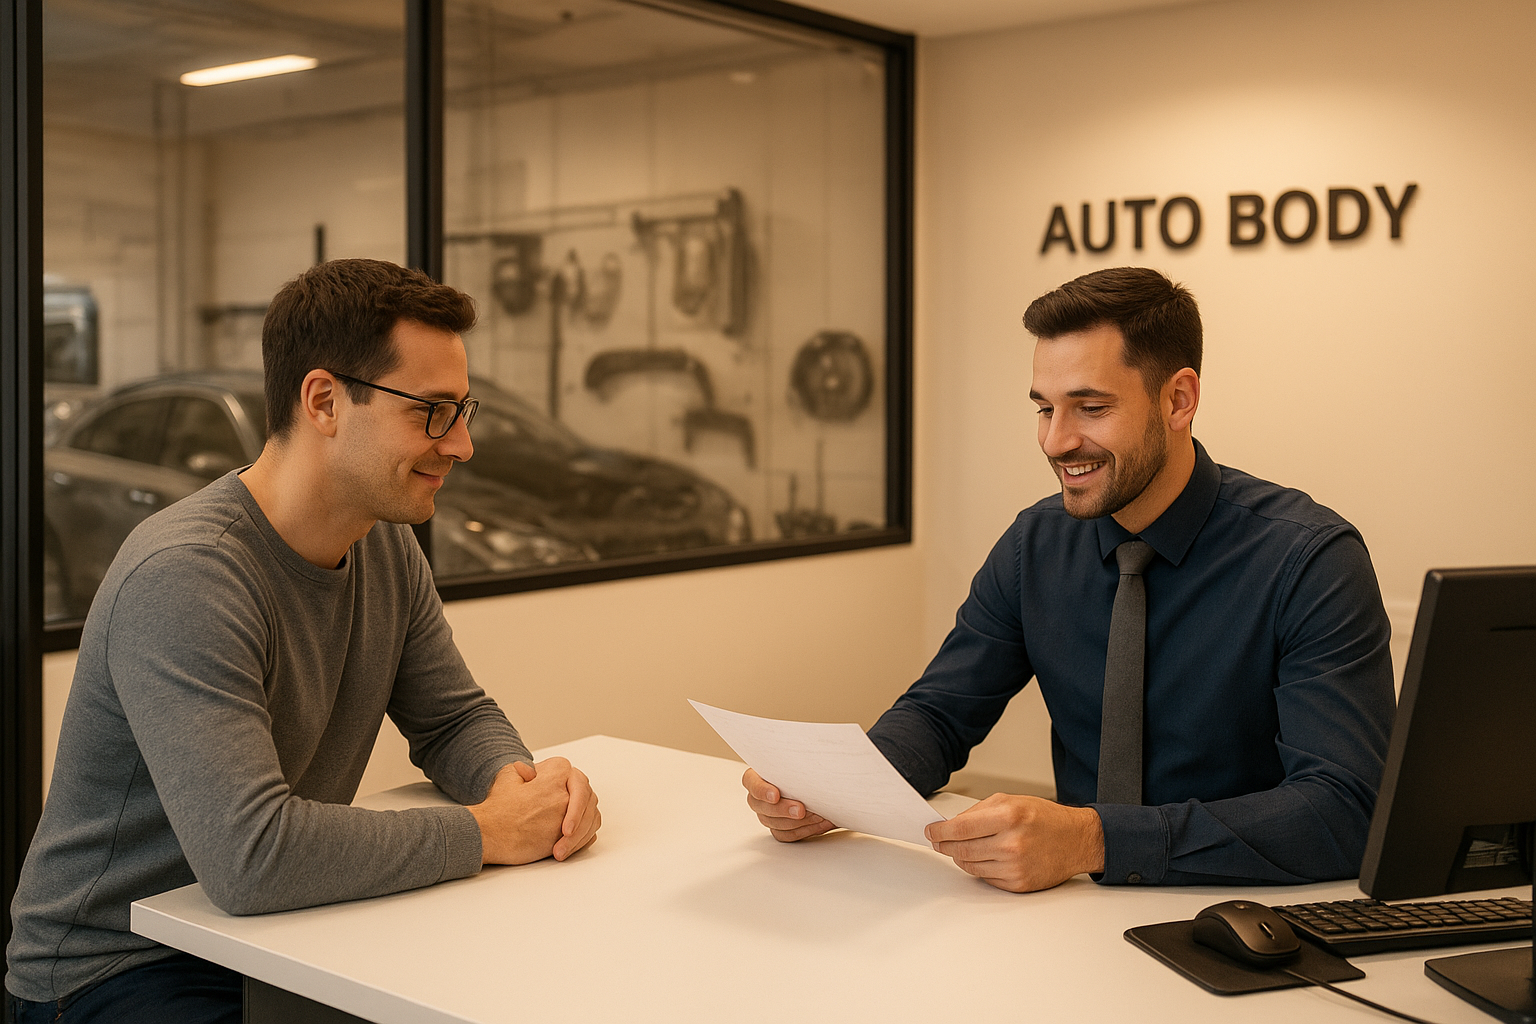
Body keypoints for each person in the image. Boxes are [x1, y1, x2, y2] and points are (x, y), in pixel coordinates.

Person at [6, 259, 600, 1022]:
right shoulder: (188, 575)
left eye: (464, 411)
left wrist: (519, 789)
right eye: (433, 412)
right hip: (114, 968)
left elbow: (452, 718)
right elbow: (252, 857)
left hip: (275, 935)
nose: (462, 445)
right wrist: (484, 832)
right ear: (324, 401)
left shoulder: (383, 546)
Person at [744, 266, 1395, 893]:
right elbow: (940, 713)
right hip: (1071, 915)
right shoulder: (1036, 544)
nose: (1056, 442)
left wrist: (1095, 841)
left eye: (1089, 407)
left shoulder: (1309, 559)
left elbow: (1347, 810)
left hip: (1245, 914)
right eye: (1043, 409)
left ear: (1178, 399)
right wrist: (837, 792)